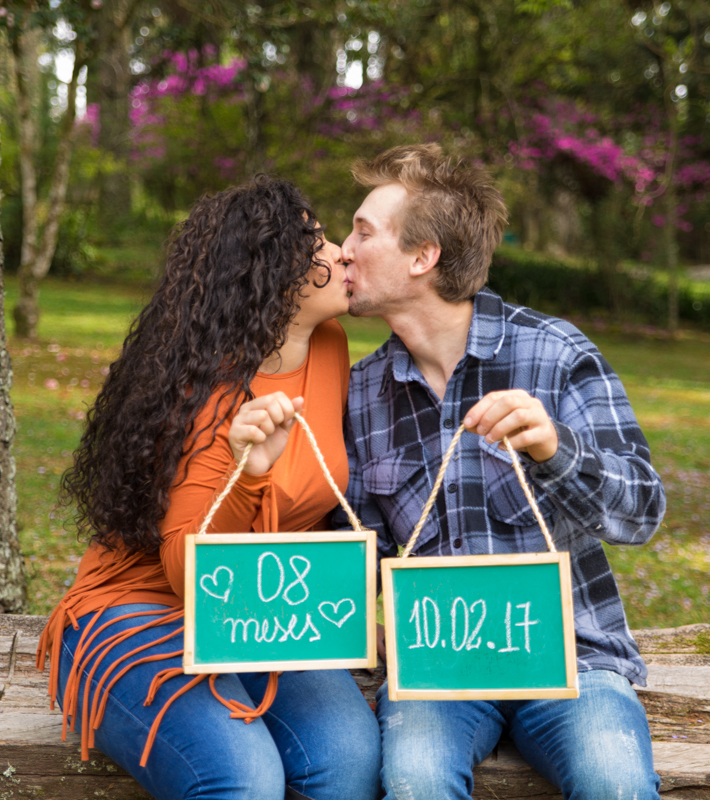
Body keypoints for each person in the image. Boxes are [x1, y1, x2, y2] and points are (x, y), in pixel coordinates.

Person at [334, 144, 667, 800]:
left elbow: (643, 512)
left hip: (574, 661)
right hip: (439, 669)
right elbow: (356, 553)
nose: (343, 251)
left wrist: (555, 449)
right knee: (416, 780)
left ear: (422, 257)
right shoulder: (363, 392)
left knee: (615, 781)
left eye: (362, 233)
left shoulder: (555, 352)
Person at [37, 175, 381, 800]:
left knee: (348, 761)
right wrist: (246, 475)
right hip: (140, 609)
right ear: (270, 275)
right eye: (319, 244)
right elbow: (186, 572)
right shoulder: (208, 389)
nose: (341, 254)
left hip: (263, 612)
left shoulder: (328, 345)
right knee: (244, 778)